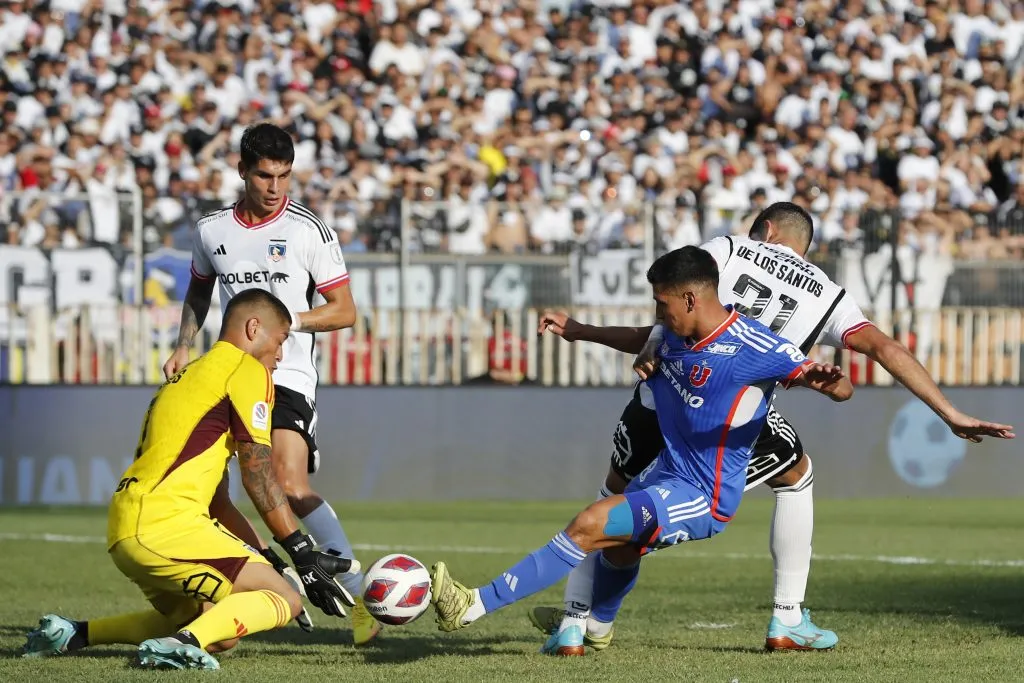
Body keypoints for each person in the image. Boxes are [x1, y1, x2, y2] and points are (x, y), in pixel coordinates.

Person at [531, 202, 1015, 653]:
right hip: (729, 411)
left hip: (658, 397)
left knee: (608, 497)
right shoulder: (827, 294)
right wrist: (950, 413)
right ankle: (786, 616)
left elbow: (675, 296)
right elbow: (885, 349)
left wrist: (597, 331)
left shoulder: (725, 249)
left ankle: (576, 621)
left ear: (764, 230)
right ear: (800, 245)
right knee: (796, 476)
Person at [428, 246, 854, 650]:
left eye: (662, 303)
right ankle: (595, 627)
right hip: (664, 474)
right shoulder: (675, 332)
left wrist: (828, 381)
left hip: (703, 497)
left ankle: (473, 605)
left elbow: (835, 385)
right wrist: (579, 331)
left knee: (591, 522)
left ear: (690, 299)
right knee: (618, 548)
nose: (658, 314)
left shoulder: (756, 346)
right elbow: (641, 337)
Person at [22, 289, 358, 670]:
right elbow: (258, 473)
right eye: (281, 340)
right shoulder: (246, 370)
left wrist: (267, 556)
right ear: (254, 329)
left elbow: (218, 503)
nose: (280, 356)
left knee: (221, 631)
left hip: (126, 529)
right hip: (167, 526)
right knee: (285, 599)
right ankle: (180, 643)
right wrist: (300, 551)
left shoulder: (189, 377)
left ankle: (74, 633)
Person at [161, 123, 380, 644]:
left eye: (284, 175)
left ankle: (356, 590)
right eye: (265, 175)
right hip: (223, 373)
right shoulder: (211, 230)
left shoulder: (309, 230)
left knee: (286, 481)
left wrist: (286, 325)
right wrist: (183, 343)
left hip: (287, 373)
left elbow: (345, 310)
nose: (276, 187)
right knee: (213, 497)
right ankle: (267, 578)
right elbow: (197, 291)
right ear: (242, 171)